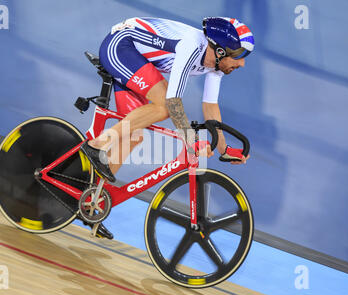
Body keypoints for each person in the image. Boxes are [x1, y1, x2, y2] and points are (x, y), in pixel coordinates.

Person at [81, 17, 254, 239]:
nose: (242, 64)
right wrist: (190, 141)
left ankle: (89, 203)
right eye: (238, 56)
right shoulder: (192, 46)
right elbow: (173, 102)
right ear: (220, 50)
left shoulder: (217, 67)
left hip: (138, 58)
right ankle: (98, 143)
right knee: (164, 106)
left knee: (133, 136)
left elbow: (210, 106)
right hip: (121, 46)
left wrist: (223, 149)